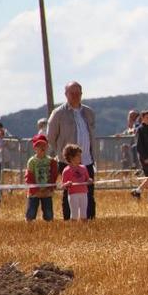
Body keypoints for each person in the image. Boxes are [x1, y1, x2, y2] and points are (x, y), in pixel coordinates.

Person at [47, 81, 96, 220]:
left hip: (87, 160)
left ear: (81, 94)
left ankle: (89, 220)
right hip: (66, 161)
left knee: (89, 193)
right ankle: (70, 221)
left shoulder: (89, 112)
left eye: (77, 93)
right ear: (66, 94)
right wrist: (62, 152)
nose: (75, 96)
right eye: (71, 93)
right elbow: (51, 137)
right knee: (69, 193)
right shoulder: (58, 114)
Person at [25, 134, 58, 222]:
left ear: (47, 146)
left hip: (47, 191)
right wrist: (36, 190)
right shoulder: (32, 161)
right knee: (31, 212)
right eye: (39, 146)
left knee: (48, 212)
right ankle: (29, 225)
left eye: (44, 145)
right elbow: (29, 177)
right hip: (34, 192)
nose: (42, 147)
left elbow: (53, 176)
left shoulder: (51, 161)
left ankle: (49, 227)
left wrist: (50, 188)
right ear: (34, 148)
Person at [131, 110, 148, 203]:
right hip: (144, 157)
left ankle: (137, 191)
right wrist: (144, 157)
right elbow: (139, 145)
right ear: (142, 118)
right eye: (147, 118)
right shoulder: (140, 129)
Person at [61, 144, 92, 221]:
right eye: (78, 155)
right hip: (73, 194)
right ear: (71, 157)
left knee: (84, 213)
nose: (80, 157)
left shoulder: (84, 168)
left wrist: (89, 181)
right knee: (74, 214)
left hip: (84, 193)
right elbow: (63, 186)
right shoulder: (66, 170)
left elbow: (88, 179)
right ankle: (73, 229)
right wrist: (67, 184)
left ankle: (84, 228)